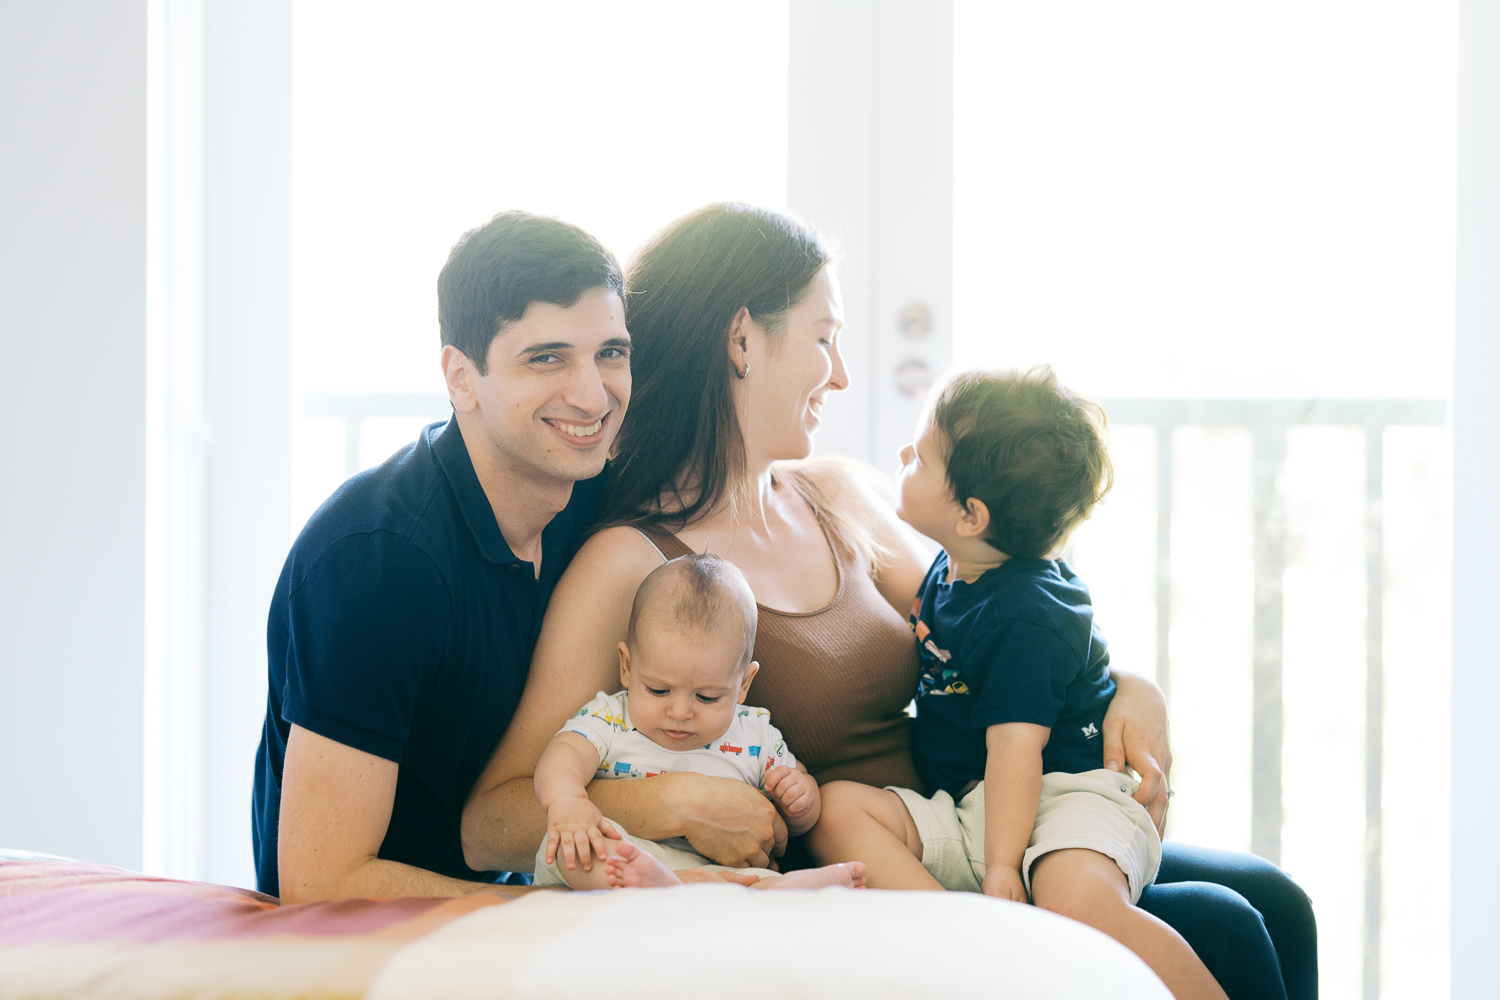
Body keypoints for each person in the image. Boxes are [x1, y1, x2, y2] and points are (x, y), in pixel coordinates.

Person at [460, 203, 1316, 1000]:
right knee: (1232, 928)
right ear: (741, 341)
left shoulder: (837, 495)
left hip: (981, 827)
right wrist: (667, 802)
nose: (838, 375)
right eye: (824, 338)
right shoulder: (634, 563)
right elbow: (490, 818)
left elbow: (1011, 618)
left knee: (1275, 899)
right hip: (866, 883)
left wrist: (1132, 683)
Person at [807, 367, 1226, 1000]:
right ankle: (972, 938)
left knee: (1075, 903)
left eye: (919, 457)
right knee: (835, 808)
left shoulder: (1029, 615)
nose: (901, 458)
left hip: (1065, 795)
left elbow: (1016, 748)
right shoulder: (956, 568)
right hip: (978, 803)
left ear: (972, 515)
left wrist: (1004, 865)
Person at [251, 211, 631, 902]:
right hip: (373, 952)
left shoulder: (589, 493)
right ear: (461, 377)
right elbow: (321, 884)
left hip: (500, 915)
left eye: (610, 352)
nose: (592, 394)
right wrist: (563, 914)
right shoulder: (379, 563)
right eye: (546, 358)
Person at [532, 553, 866, 892]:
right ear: (627, 666)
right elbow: (564, 755)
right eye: (658, 690)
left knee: (760, 884)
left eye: (706, 697)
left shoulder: (755, 733)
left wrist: (801, 800)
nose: (680, 712)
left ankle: (785, 891)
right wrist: (567, 801)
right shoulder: (610, 717)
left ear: (743, 685)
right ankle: (662, 886)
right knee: (569, 847)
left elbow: (795, 815)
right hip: (631, 856)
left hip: (719, 874)